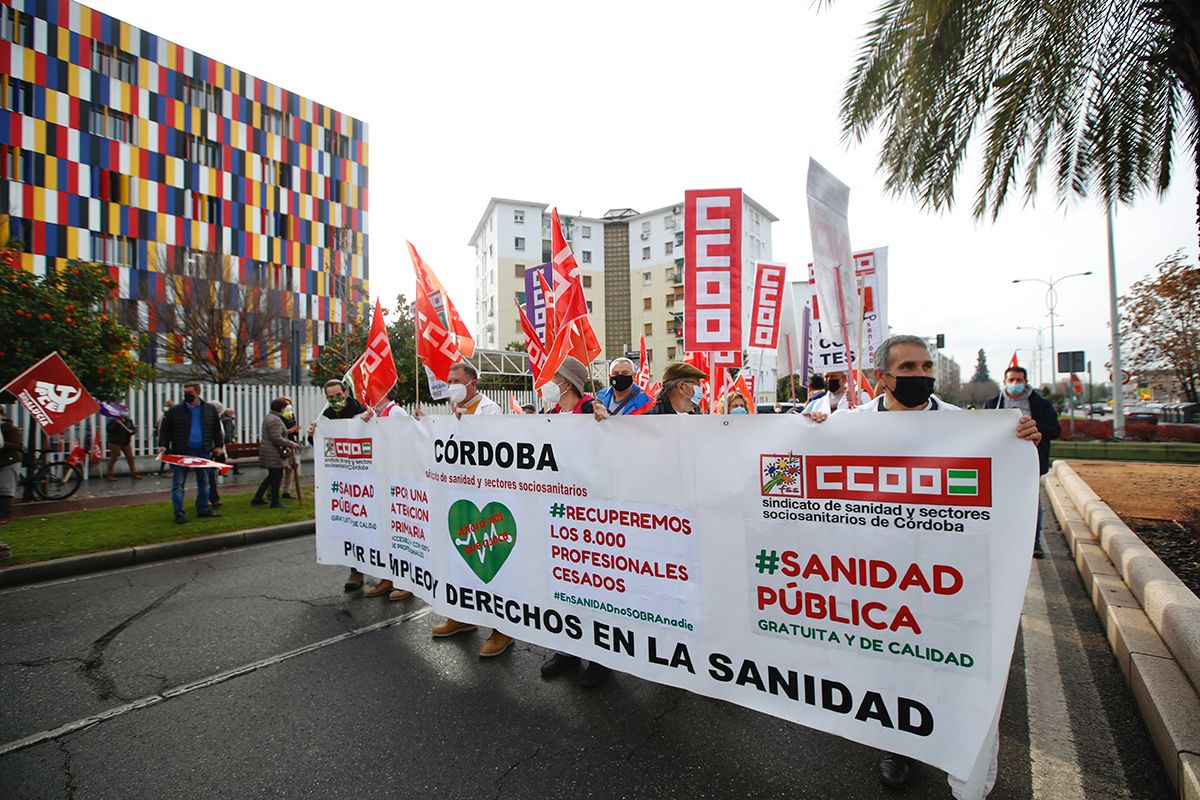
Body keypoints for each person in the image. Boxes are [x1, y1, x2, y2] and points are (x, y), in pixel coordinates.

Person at [812, 335, 1041, 798]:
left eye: (925, 367)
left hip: (943, 573)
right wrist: (810, 424)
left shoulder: (966, 427)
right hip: (873, 569)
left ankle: (955, 742)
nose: (920, 376)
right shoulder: (850, 423)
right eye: (908, 368)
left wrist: (1021, 444)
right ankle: (899, 745)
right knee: (889, 660)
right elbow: (803, 454)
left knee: (945, 655)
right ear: (882, 377)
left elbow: (1004, 484)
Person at [538, 357, 613, 686]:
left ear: (567, 383)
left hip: (592, 518)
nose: (549, 384)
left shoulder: (590, 412)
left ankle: (601, 658)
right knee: (565, 587)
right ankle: (567, 650)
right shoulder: (552, 416)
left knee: (595, 590)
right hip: (559, 514)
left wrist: (607, 424)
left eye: (554, 378)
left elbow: (615, 452)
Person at [430, 361, 513, 657]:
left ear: (473, 382)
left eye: (456, 380)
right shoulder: (454, 412)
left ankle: (503, 630)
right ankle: (462, 617)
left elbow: (495, 449)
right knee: (462, 561)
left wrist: (467, 424)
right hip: (461, 496)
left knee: (492, 564)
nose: (451, 384)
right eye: (448, 379)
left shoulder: (489, 410)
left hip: (489, 499)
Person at [984, 365, 1061, 558]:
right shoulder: (994, 403)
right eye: (1011, 380)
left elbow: (1055, 430)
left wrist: (1032, 425)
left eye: (1019, 380)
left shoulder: (1041, 405)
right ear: (1005, 382)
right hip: (1001, 463)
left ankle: (1033, 542)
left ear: (1025, 382)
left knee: (1031, 503)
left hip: (1031, 462)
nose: (1015, 384)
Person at [308, 380, 374, 592]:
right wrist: (314, 435)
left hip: (365, 479)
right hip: (343, 481)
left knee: (369, 525)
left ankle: (382, 569)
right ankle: (356, 570)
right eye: (330, 397)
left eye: (338, 395)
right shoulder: (326, 416)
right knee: (350, 525)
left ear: (346, 392)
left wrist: (368, 423)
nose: (334, 400)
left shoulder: (362, 412)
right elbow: (322, 445)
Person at [362, 385, 414, 602]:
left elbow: (406, 444)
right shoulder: (373, 415)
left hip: (397, 481)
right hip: (379, 481)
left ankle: (407, 581)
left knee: (401, 536)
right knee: (384, 535)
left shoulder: (396, 413)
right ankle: (388, 578)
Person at [158, 381, 225, 524]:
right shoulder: (175, 411)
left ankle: (203, 509)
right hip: (181, 451)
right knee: (178, 483)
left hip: (203, 450)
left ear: (198, 392)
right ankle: (179, 513)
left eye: (190, 393)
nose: (187, 395)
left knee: (204, 482)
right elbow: (166, 430)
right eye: (185, 392)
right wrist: (163, 445)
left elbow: (216, 430)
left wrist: (218, 445)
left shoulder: (209, 410)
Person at [252, 398, 291, 509]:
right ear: (282, 408)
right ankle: (275, 501)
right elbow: (276, 438)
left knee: (271, 476)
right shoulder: (275, 420)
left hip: (269, 452)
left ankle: (258, 498)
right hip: (273, 453)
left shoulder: (270, 417)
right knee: (277, 477)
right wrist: (290, 444)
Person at [0, 406, 23, 558]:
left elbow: (17, 444)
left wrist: (3, 445)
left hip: (7, 465)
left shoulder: (9, 428)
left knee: (4, 494)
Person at [104, 414, 141, 480]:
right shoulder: (113, 421)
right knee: (114, 458)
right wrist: (116, 424)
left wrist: (132, 431)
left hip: (126, 442)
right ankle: (109, 474)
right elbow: (109, 429)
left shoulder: (128, 420)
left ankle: (133, 473)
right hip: (115, 442)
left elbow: (133, 428)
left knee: (130, 458)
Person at [206, 401, 226, 508]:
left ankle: (209, 498)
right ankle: (213, 499)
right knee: (209, 477)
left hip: (214, 450)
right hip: (210, 451)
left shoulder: (216, 419)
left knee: (209, 477)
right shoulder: (211, 419)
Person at [220, 408, 239, 474]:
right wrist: (230, 441)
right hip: (228, 441)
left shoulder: (222, 420)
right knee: (234, 455)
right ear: (228, 414)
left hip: (223, 440)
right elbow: (228, 432)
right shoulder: (228, 421)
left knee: (224, 456)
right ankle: (235, 470)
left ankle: (222, 471)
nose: (233, 415)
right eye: (232, 413)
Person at [155, 404, 172, 475]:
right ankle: (163, 470)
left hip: (168, 440)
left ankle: (163, 470)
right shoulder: (163, 416)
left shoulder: (167, 417)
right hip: (165, 440)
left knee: (168, 455)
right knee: (166, 454)